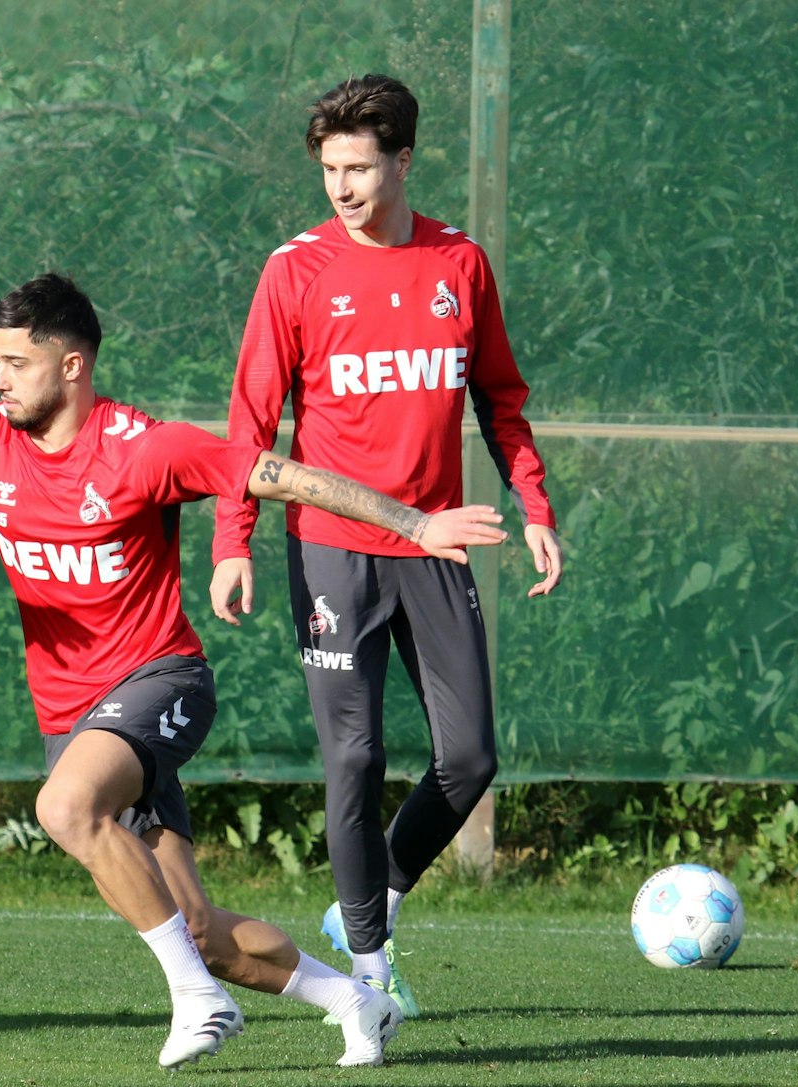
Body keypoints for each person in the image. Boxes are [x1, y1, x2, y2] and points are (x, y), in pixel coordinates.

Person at [0, 273, 508, 1071]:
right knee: (197, 928)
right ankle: (354, 1000)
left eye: (15, 362)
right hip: (74, 715)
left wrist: (416, 521)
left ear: (71, 366)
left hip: (163, 682)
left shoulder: (142, 449)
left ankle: (198, 1000)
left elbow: (285, 475)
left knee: (65, 806)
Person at [208, 74, 563, 1019]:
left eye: (360, 167)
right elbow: (251, 421)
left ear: (404, 160)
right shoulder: (295, 270)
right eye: (329, 169)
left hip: (436, 544)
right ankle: (369, 979)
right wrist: (230, 540)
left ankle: (369, 900)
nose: (343, 187)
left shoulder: (460, 264)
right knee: (355, 759)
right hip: (330, 548)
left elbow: (502, 401)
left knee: (472, 758)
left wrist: (535, 506)